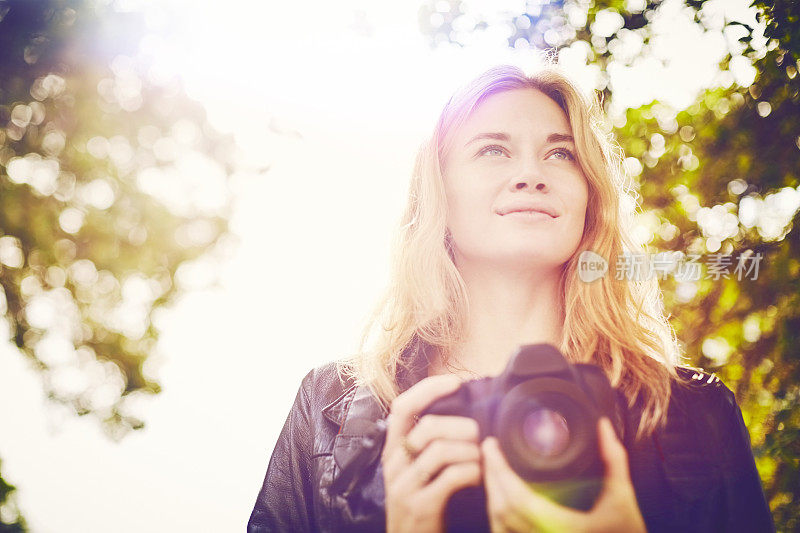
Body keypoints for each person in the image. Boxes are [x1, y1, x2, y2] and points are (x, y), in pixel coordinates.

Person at [246, 63, 775, 533]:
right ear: (438, 192)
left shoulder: (694, 413)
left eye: (560, 153)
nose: (530, 175)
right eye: (493, 150)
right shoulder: (331, 409)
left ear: (589, 197)